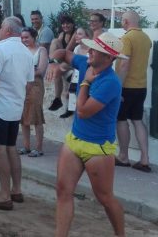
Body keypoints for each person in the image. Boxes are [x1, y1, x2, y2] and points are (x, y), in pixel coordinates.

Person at [48, 32, 126, 237]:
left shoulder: (111, 82)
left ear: (108, 58)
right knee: (63, 191)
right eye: (91, 48)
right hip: (75, 140)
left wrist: (86, 82)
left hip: (97, 148)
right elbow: (63, 52)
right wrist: (53, 62)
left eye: (95, 50)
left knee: (105, 198)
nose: (89, 51)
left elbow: (82, 111)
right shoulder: (86, 63)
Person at [0, 17, 34, 211]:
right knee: (10, 147)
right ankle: (16, 190)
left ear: (8, 30)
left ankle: (4, 195)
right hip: (14, 107)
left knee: (0, 148)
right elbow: (28, 84)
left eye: (1, 27)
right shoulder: (26, 52)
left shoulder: (0, 49)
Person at [115, 10, 152, 173]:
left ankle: (123, 157)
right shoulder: (146, 38)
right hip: (141, 86)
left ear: (126, 21)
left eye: (122, 20)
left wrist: (118, 88)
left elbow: (124, 64)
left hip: (126, 87)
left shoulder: (127, 38)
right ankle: (145, 159)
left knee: (121, 119)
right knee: (137, 120)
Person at [18, 27, 48, 158]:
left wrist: (25, 72)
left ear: (33, 37)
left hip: (36, 85)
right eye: (23, 37)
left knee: (36, 116)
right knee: (24, 116)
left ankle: (39, 148)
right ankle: (26, 146)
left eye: (27, 37)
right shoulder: (21, 50)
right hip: (22, 84)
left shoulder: (41, 50)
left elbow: (40, 70)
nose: (24, 40)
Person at [59, 27, 92, 119]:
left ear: (88, 37)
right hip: (77, 75)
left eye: (80, 34)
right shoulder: (77, 48)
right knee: (72, 91)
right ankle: (70, 109)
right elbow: (74, 66)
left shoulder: (92, 50)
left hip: (88, 77)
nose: (76, 36)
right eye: (76, 33)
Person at [48, 15, 77, 112]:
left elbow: (67, 51)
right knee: (55, 41)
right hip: (64, 60)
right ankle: (57, 98)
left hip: (74, 59)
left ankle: (59, 100)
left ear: (72, 24)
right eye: (63, 24)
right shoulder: (62, 34)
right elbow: (57, 49)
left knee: (57, 70)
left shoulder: (75, 33)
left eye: (68, 23)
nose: (65, 25)